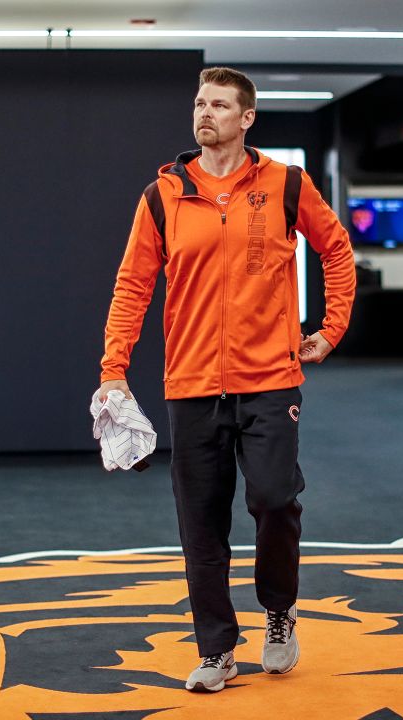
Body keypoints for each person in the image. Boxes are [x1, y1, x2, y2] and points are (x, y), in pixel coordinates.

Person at [96, 67, 356, 692]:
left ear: (247, 119)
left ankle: (279, 612)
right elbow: (133, 285)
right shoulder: (162, 196)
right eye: (198, 103)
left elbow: (337, 250)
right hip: (191, 384)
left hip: (270, 377)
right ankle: (216, 649)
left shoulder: (286, 185)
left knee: (272, 500)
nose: (204, 113)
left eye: (218, 105)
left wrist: (331, 328)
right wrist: (113, 368)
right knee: (201, 524)